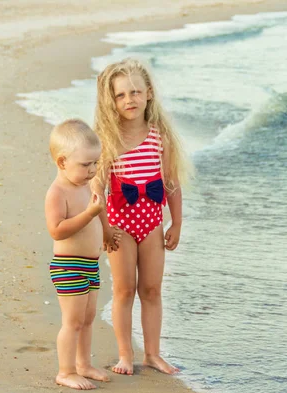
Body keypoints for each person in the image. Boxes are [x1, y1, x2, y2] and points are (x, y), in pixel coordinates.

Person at [92, 58, 191, 375]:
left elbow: (172, 183)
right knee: (123, 290)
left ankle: (152, 354)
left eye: (135, 92)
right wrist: (104, 228)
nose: (129, 99)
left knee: (151, 289)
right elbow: (98, 189)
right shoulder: (107, 139)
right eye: (120, 95)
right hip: (119, 226)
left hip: (152, 223)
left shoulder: (159, 138)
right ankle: (125, 355)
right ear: (111, 100)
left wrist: (176, 222)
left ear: (149, 93)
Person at [44, 119, 114, 390]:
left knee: (88, 318)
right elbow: (57, 230)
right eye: (86, 165)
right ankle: (66, 371)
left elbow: (100, 212)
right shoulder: (57, 192)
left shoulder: (86, 185)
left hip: (91, 265)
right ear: (62, 162)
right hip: (68, 265)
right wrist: (89, 214)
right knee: (72, 321)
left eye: (95, 163)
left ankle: (83, 364)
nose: (92, 170)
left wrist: (107, 232)